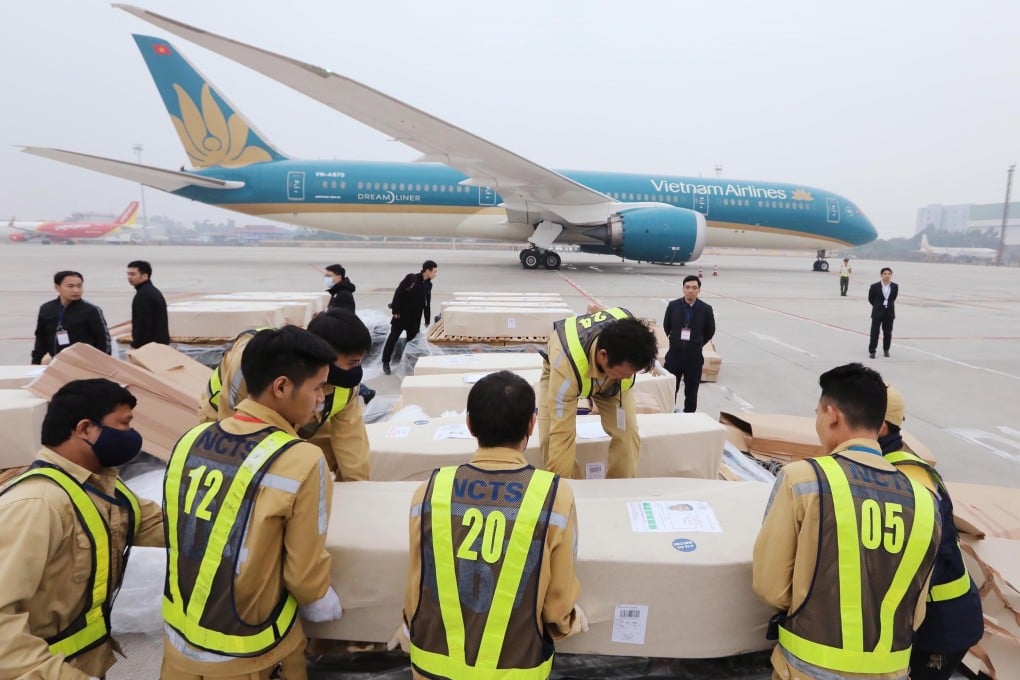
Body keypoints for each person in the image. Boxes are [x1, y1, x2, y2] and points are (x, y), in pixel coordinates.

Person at [161, 326, 343, 679]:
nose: (321, 398)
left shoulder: (191, 439)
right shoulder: (302, 459)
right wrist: (325, 602)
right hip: (252, 654)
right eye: (317, 387)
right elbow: (304, 576)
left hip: (178, 649)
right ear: (281, 387)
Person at [388, 371, 588, 677]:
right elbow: (556, 607)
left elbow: (415, 584)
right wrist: (569, 623)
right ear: (532, 425)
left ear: (469, 424)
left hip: (432, 669)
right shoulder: (553, 495)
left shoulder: (429, 490)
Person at [753, 363, 942, 680]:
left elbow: (770, 587)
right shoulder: (926, 499)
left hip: (807, 671)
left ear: (832, 414)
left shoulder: (803, 480)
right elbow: (916, 612)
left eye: (817, 413)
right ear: (880, 424)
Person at [0, 378, 164, 679]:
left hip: (82, 664)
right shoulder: (38, 505)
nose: (132, 435)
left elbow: (163, 526)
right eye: (124, 424)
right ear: (85, 429)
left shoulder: (101, 488)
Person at [879, 385, 983, 680]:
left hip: (942, 626)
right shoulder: (896, 465)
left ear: (881, 426)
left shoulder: (908, 483)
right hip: (937, 618)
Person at [200, 310, 374, 481]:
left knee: (321, 458)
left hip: (297, 417)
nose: (357, 369)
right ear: (324, 354)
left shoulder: (344, 382)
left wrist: (358, 490)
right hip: (227, 416)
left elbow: (352, 442)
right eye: (352, 363)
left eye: (359, 362)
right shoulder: (253, 362)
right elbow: (235, 432)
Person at [538, 308, 658, 479]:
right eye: (625, 373)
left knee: (627, 434)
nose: (628, 378)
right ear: (603, 355)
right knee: (551, 442)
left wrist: (620, 374)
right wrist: (564, 493)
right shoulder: (565, 366)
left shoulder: (634, 337)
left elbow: (629, 365)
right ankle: (575, 493)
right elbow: (561, 437)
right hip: (565, 371)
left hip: (610, 381)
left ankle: (618, 489)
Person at [31, 270, 111, 364]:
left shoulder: (91, 310)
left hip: (84, 363)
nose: (76, 290)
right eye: (70, 286)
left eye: (79, 286)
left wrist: (103, 364)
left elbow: (103, 340)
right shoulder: (47, 308)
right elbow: (41, 337)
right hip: (57, 361)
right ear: (57, 287)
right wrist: (35, 361)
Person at [662, 275, 716, 413]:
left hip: (694, 357)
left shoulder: (706, 309)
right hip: (674, 356)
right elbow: (666, 326)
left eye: (694, 288)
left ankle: (689, 417)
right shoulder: (673, 306)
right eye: (687, 287)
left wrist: (697, 343)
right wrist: (675, 341)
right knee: (670, 388)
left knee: (691, 392)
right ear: (683, 289)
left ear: (699, 290)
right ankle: (668, 413)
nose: (690, 291)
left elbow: (710, 330)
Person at [381, 260, 438, 375]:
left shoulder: (429, 284)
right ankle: (385, 362)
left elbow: (427, 302)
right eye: (434, 272)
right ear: (427, 271)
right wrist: (395, 310)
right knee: (393, 338)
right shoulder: (412, 278)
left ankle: (408, 363)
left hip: (415, 318)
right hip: (402, 315)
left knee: (412, 343)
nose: (435, 274)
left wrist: (427, 319)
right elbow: (398, 293)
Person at [127, 259, 170, 348]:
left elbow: (143, 324)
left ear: (145, 276)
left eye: (133, 274)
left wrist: (136, 345)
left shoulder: (144, 295)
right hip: (158, 345)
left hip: (150, 347)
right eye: (128, 274)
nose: (129, 277)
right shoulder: (151, 291)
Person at [868, 267, 898, 358]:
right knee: (874, 332)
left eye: (889, 274)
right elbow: (871, 299)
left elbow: (893, 298)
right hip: (877, 312)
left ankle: (886, 350)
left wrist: (887, 305)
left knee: (888, 333)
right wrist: (877, 306)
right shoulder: (874, 286)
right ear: (881, 275)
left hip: (889, 313)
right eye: (885, 274)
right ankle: (872, 351)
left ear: (891, 275)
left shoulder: (895, 286)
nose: (887, 275)